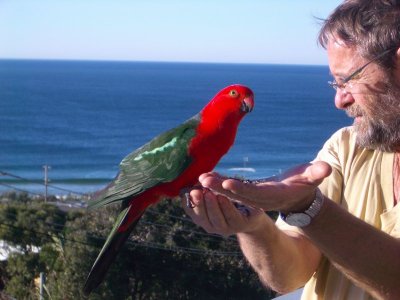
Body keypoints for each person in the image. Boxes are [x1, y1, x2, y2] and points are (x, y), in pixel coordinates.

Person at [182, 1, 400, 299]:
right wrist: (255, 226)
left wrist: (307, 209)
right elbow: (291, 276)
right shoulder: (347, 147)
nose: (340, 101)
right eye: (335, 84)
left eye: (348, 80)